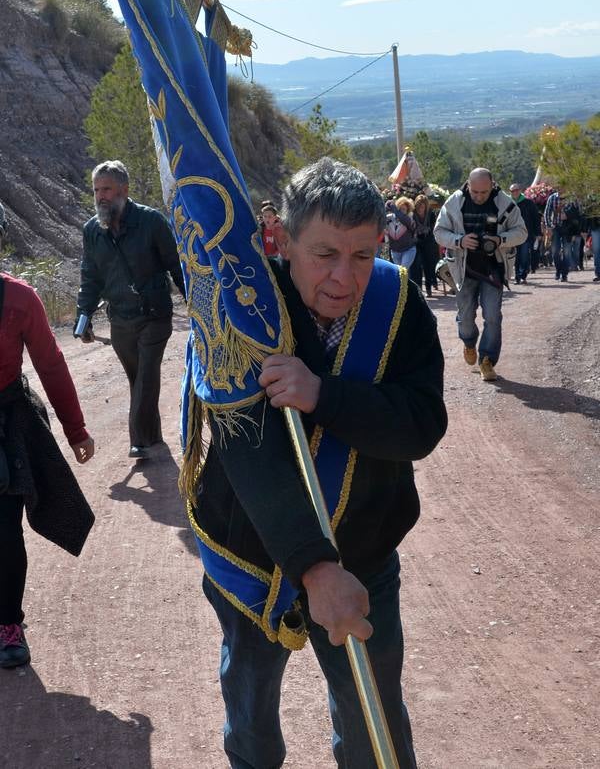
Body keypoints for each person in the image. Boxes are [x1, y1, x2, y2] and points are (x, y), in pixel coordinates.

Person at [187, 158, 447, 769]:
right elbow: (245, 447)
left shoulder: (397, 302)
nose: (344, 277)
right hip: (253, 556)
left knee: (373, 722)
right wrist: (313, 567)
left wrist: (322, 395)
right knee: (249, 711)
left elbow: (421, 424)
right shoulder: (239, 310)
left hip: (363, 558)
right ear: (280, 239)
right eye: (324, 253)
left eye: (362, 255)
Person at [0, 202, 95, 669]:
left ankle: (7, 624)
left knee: (3, 530)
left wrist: (75, 429)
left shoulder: (20, 300)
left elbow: (50, 365)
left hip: (8, 427)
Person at [76, 160, 186, 460]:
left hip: (155, 315)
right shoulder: (92, 231)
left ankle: (138, 440)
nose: (101, 196)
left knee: (147, 375)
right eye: (96, 190)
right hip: (120, 319)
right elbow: (90, 276)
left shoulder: (152, 222)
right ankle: (153, 436)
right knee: (137, 378)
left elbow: (177, 267)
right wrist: (83, 316)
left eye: (107, 189)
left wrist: (195, 304)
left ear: (123, 190)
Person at [434, 168, 527, 381]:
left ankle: (487, 360)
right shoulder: (454, 202)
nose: (478, 196)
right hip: (464, 269)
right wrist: (460, 241)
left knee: (493, 316)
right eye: (474, 191)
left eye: (483, 193)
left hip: (493, 269)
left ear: (492, 186)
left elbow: (521, 232)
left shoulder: (505, 204)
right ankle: (468, 342)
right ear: (468, 184)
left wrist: (500, 240)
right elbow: (439, 232)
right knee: (465, 316)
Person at [543, 189, 583, 283]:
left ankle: (564, 274)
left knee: (567, 252)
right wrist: (549, 226)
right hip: (555, 228)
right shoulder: (552, 198)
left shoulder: (571, 198)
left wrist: (567, 216)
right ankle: (558, 270)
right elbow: (547, 213)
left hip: (568, 229)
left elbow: (578, 213)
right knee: (555, 251)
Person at [509, 183, 542, 284]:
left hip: (526, 233)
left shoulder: (528, 203)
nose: (514, 192)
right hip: (512, 233)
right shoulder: (508, 203)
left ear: (520, 190)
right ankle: (517, 277)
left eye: (516, 190)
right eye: (512, 191)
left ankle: (523, 275)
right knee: (515, 256)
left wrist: (538, 233)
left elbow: (536, 218)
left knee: (524, 255)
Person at [410, 194, 439, 297]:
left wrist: (426, 231)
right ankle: (418, 289)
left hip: (428, 241)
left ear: (426, 207)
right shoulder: (412, 214)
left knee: (428, 265)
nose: (420, 209)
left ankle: (428, 288)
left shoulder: (431, 214)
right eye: (418, 206)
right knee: (417, 265)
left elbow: (433, 228)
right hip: (416, 241)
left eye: (422, 207)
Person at [386, 196, 417, 269]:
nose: (401, 211)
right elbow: (380, 218)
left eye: (404, 210)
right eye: (400, 209)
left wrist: (395, 209)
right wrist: (386, 207)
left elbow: (403, 218)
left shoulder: (410, 219)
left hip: (408, 250)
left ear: (407, 211)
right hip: (395, 251)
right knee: (398, 274)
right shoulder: (390, 218)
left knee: (403, 271)